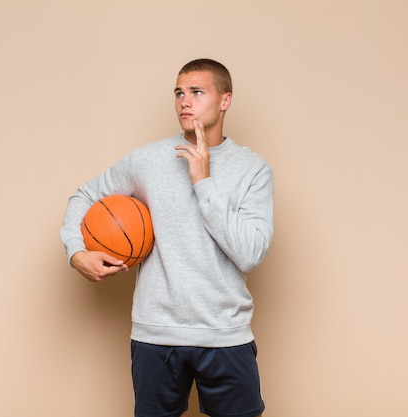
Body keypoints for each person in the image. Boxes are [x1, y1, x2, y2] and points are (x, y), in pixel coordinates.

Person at [60, 58, 274, 417]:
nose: (184, 102)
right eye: (179, 93)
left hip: (224, 334)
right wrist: (76, 251)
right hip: (156, 335)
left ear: (225, 100)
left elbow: (250, 253)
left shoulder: (252, 169)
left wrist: (203, 182)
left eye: (196, 92)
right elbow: (84, 197)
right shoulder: (148, 160)